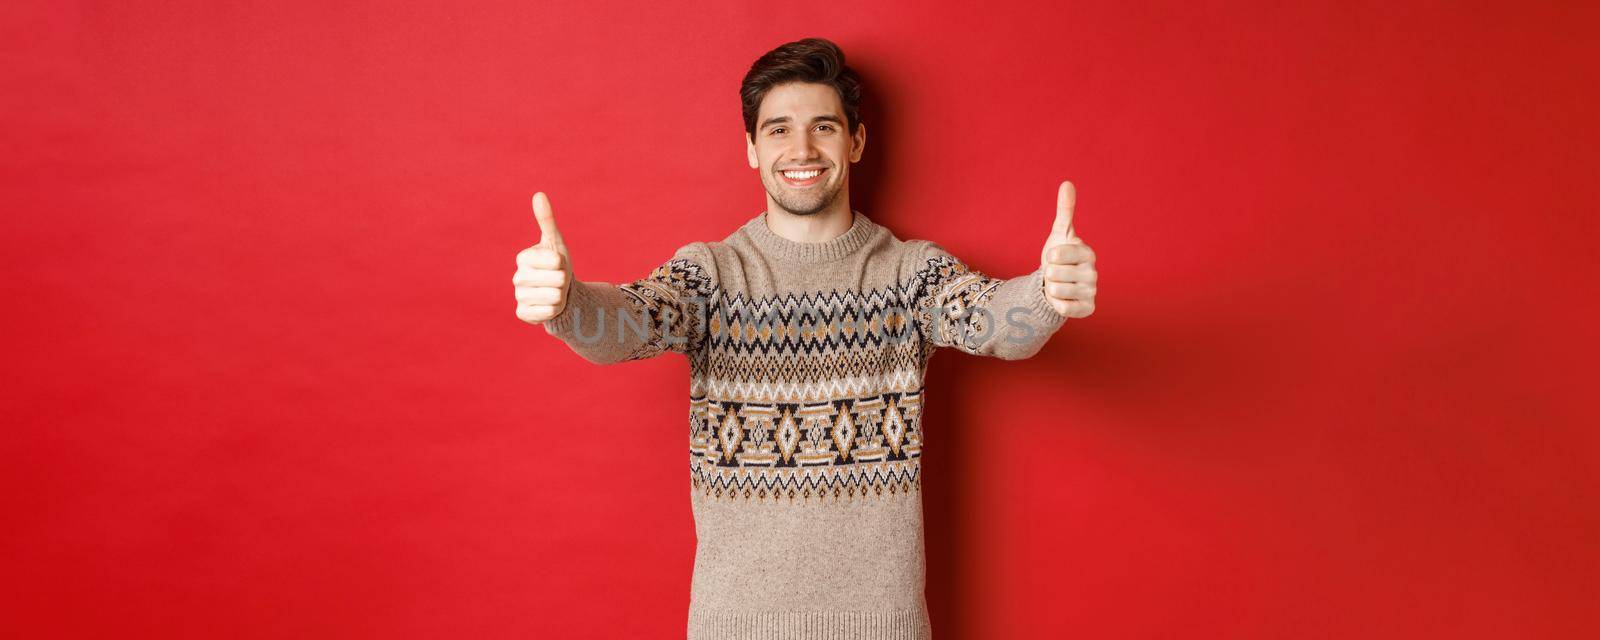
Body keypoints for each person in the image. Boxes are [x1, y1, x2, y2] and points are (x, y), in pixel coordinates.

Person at [512, 37, 1097, 640]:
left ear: (857, 141)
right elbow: (627, 326)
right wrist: (567, 304)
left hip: (884, 627)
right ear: (750, 149)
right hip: (733, 626)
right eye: (777, 130)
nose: (801, 149)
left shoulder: (909, 272)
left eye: (823, 126)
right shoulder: (711, 275)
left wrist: (1048, 295)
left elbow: (999, 326)